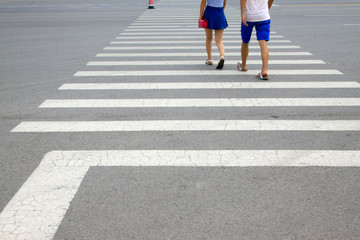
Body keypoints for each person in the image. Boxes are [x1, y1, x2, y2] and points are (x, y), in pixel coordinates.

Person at [238, 0, 274, 80]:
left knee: (245, 41)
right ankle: (264, 70)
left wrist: (242, 13)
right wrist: (267, 9)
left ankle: (243, 65)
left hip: (248, 16)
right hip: (263, 16)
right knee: (263, 42)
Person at [199, 0, 228, 69]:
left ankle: (210, 59)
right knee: (219, 40)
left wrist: (200, 15)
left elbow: (203, 2)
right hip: (220, 12)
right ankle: (222, 57)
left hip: (209, 12)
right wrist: (221, 10)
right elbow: (224, 2)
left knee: (209, 38)